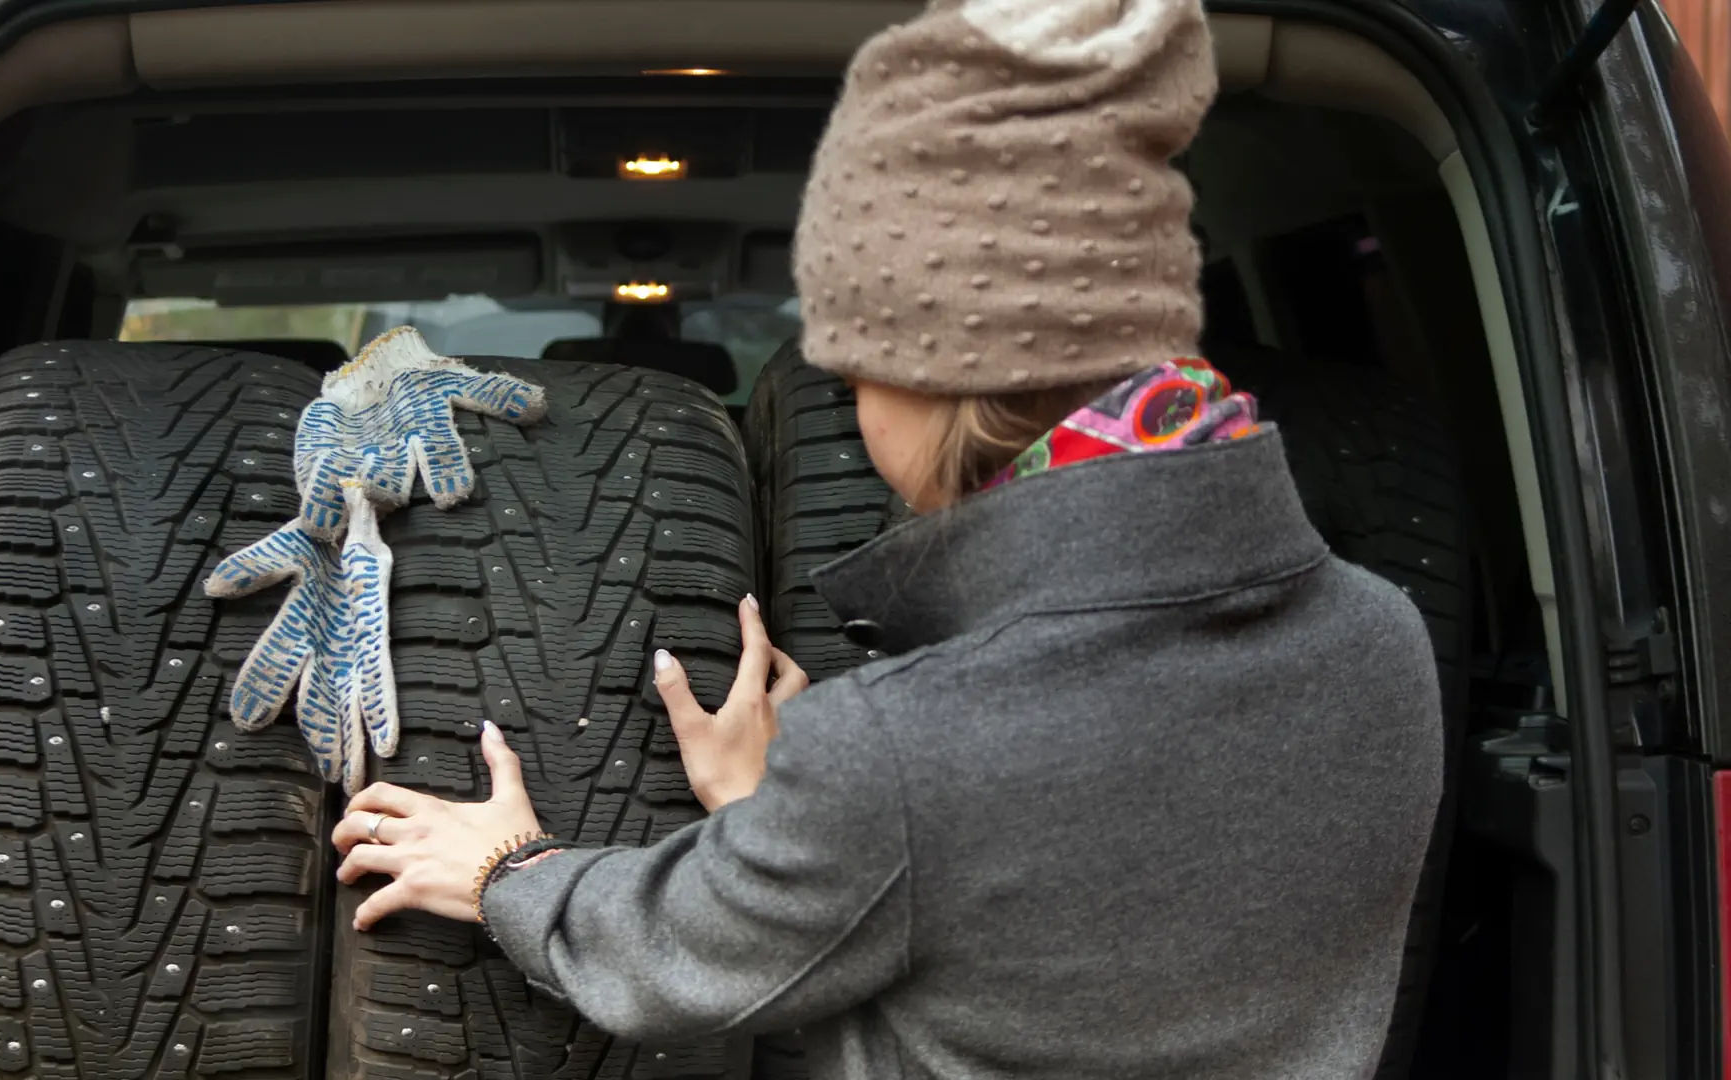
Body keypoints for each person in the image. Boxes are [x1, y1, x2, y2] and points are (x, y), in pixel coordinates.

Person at [330, 1, 1445, 1077]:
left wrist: (509, 872)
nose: (853, 411)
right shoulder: (1381, 637)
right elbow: (1064, 912)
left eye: (853, 371)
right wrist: (815, 819)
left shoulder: (906, 745)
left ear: (931, 377)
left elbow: (679, 965)